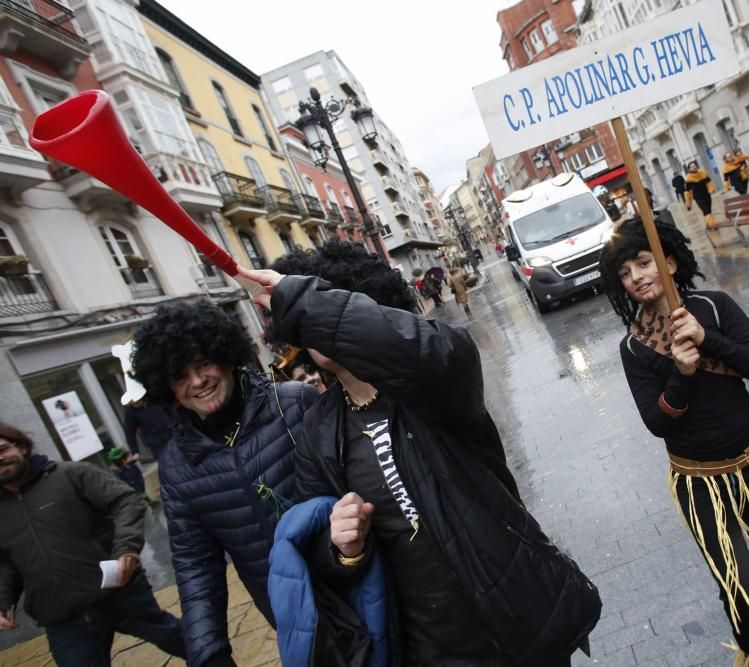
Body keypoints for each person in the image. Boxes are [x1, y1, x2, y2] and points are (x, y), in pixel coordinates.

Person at [237, 239, 601, 666]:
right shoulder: (318, 430)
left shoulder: (433, 382)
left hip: (516, 626)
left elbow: (436, 355)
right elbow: (319, 555)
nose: (316, 325)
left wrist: (309, 301)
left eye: (334, 303)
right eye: (307, 321)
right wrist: (342, 549)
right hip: (426, 650)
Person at [598, 219, 749, 666]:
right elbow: (657, 423)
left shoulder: (715, 306)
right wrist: (680, 376)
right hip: (699, 481)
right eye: (626, 274)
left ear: (668, 261)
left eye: (644, 263)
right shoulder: (634, 348)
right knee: (741, 582)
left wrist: (709, 340)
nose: (637, 277)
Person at [130, 300, 319, 666]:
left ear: (226, 356)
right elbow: (195, 563)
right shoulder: (176, 466)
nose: (197, 381)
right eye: (180, 375)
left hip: (362, 580)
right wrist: (208, 652)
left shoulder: (295, 403)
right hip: (290, 617)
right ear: (167, 387)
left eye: (203, 364)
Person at [0, 423, 185, 665]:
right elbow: (5, 563)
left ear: (22, 447)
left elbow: (126, 501)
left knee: (182, 641)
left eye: (3, 449)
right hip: (62, 618)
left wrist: (126, 548)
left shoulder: (70, 474)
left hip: (117, 593)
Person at [684, 160, 718, 228]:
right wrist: (688, 203)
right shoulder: (689, 178)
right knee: (705, 210)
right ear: (689, 169)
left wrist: (712, 189)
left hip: (706, 194)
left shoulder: (703, 173)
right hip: (698, 196)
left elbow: (709, 182)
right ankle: (713, 224)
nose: (694, 167)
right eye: (692, 167)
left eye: (694, 166)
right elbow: (687, 191)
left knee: (709, 209)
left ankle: (708, 224)